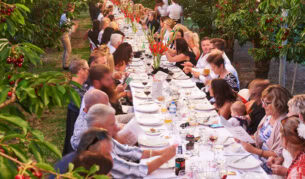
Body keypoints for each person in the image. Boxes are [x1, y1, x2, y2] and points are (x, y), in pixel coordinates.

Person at [86, 104, 178, 178]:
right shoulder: (98, 150)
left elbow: (129, 151)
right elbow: (136, 171)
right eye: (112, 124)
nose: (117, 128)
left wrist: (161, 152)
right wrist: (165, 157)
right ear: (98, 125)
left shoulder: (102, 136)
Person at [239, 85, 291, 174]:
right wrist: (243, 137)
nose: (263, 106)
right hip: (257, 157)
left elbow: (278, 155)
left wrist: (253, 150)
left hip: (268, 166)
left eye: (267, 103)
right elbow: (258, 137)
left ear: (279, 104)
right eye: (263, 101)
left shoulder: (285, 124)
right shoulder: (268, 116)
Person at [267, 94, 305, 177]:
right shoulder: (293, 133)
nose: (287, 115)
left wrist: (286, 172)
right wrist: (279, 159)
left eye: (289, 112)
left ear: (299, 116)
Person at [62, 59, 89, 155]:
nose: (88, 72)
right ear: (81, 70)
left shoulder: (77, 86)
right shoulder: (75, 90)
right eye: (87, 70)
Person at [60, 3, 76, 70]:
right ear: (71, 9)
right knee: (68, 49)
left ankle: (64, 64)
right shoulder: (67, 16)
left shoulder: (64, 15)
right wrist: (74, 28)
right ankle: (66, 65)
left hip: (64, 33)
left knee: (66, 49)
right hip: (64, 34)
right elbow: (68, 27)